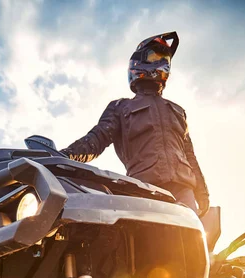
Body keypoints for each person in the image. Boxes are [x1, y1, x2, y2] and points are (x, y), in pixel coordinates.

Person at [62, 31, 210, 217]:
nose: (163, 62)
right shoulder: (121, 107)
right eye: (156, 56)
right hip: (144, 189)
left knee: (192, 243)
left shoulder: (178, 111)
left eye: (165, 59)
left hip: (183, 191)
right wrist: (65, 156)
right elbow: (96, 139)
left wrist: (202, 192)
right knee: (149, 244)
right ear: (138, 62)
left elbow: (189, 155)